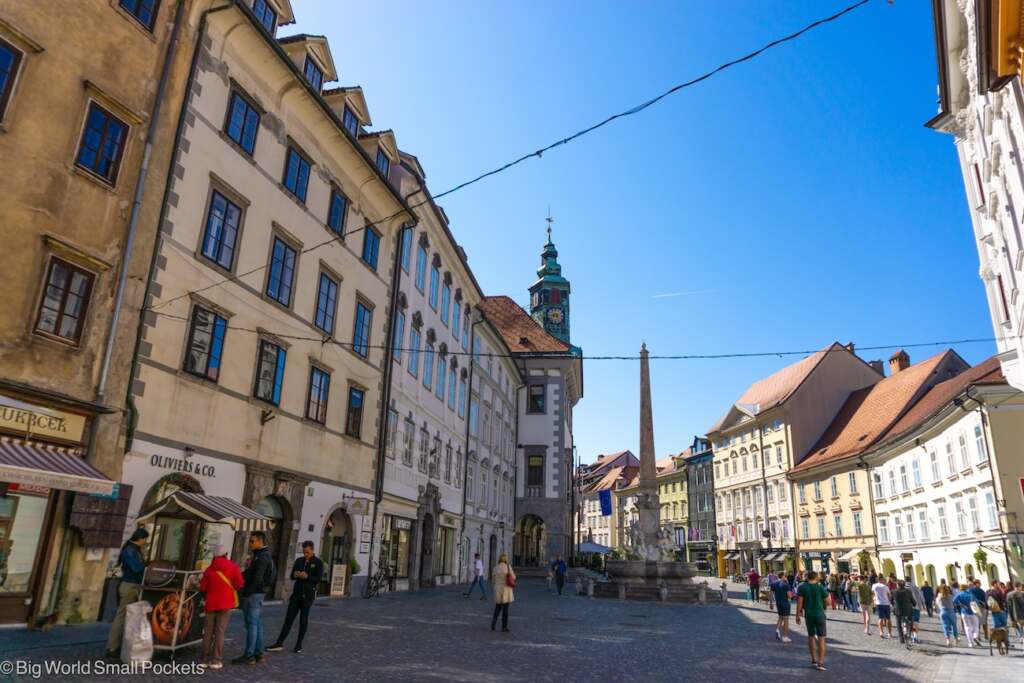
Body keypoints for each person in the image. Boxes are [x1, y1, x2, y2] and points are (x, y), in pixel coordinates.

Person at [266, 540, 324, 654]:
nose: (305, 554)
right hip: (296, 594)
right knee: (289, 619)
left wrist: (307, 576)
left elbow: (318, 579)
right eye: (304, 552)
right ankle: (279, 643)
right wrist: (295, 574)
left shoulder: (318, 563)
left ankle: (298, 645)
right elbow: (292, 576)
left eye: (307, 552)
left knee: (303, 620)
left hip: (308, 595)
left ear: (312, 550)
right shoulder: (299, 561)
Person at [105, 528, 149, 658]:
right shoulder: (130, 550)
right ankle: (112, 646)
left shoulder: (134, 549)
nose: (146, 542)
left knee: (127, 616)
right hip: (130, 585)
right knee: (121, 616)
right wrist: (146, 567)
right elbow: (136, 568)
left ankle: (122, 645)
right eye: (145, 539)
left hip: (133, 585)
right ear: (140, 538)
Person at [233, 531, 275, 665]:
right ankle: (258, 653)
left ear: (259, 542)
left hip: (255, 594)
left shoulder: (262, 557)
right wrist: (238, 576)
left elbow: (257, 577)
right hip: (257, 593)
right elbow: (251, 573)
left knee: (251, 623)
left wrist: (246, 593)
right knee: (256, 623)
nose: (250, 544)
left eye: (252, 541)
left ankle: (249, 655)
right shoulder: (261, 555)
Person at [199, 545, 243, 670]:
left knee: (208, 631)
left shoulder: (209, 569)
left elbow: (203, 587)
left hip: (211, 603)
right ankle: (216, 660)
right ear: (226, 554)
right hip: (225, 603)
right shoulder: (233, 567)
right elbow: (239, 584)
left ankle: (204, 659)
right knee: (220, 631)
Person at [795, 570, 829, 671]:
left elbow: (799, 602)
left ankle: (814, 659)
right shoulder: (820, 587)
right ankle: (821, 662)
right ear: (816, 578)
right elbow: (828, 601)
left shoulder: (802, 587)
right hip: (820, 614)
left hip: (809, 615)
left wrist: (797, 615)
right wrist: (824, 606)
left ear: (807, 577)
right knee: (821, 638)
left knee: (811, 636)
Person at [491, 553, 515, 632]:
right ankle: (504, 627)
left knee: (497, 607)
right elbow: (513, 577)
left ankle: (493, 622)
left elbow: (493, 580)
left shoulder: (496, 567)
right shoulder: (508, 567)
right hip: (506, 589)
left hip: (497, 588)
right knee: (505, 609)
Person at [891, 580, 917, 644]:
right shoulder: (908, 591)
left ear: (898, 585)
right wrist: (914, 604)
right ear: (904, 585)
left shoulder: (894, 591)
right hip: (907, 610)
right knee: (911, 620)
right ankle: (910, 633)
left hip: (898, 610)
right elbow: (913, 601)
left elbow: (891, 601)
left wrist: (894, 605)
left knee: (898, 623)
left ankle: (901, 638)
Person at [770, 573, 793, 643]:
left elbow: (771, 593)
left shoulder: (774, 583)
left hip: (778, 603)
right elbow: (789, 596)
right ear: (782, 576)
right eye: (785, 576)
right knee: (786, 619)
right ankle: (785, 636)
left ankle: (777, 629)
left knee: (780, 617)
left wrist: (771, 603)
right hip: (785, 603)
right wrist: (792, 595)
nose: (786, 578)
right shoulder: (786, 585)